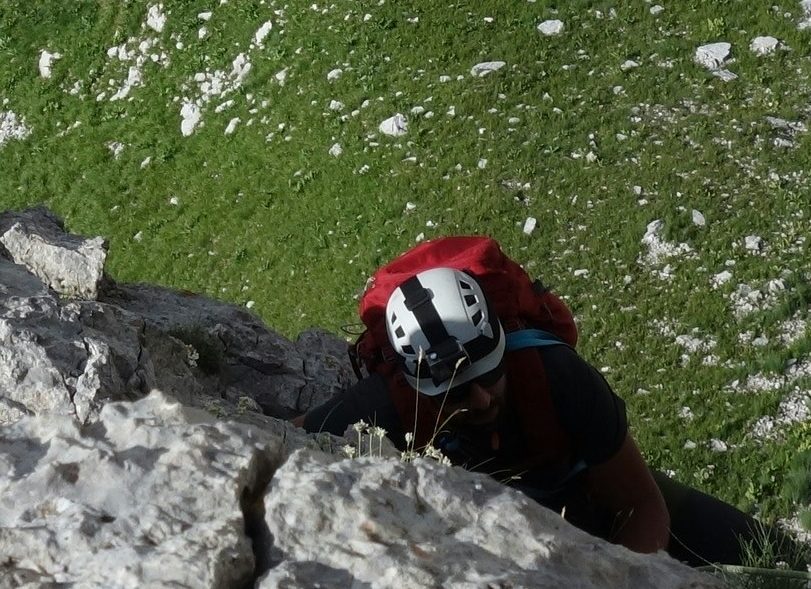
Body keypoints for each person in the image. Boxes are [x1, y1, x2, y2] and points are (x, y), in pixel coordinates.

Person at [305, 243, 764, 568]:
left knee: (763, 547)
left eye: (489, 374)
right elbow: (281, 438)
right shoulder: (387, 405)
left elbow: (643, 506)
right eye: (459, 394)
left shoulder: (555, 372)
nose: (482, 399)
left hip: (592, 490)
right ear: (420, 388)